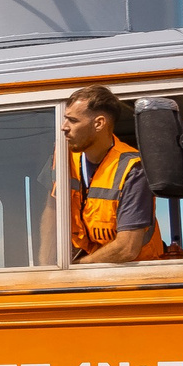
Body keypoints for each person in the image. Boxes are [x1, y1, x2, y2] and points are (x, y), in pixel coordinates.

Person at [62, 84, 167, 264]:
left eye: (72, 120)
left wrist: (78, 267)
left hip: (134, 276)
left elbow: (127, 248)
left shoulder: (132, 169)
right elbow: (51, 214)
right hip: (87, 270)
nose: (64, 127)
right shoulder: (65, 157)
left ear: (99, 123)